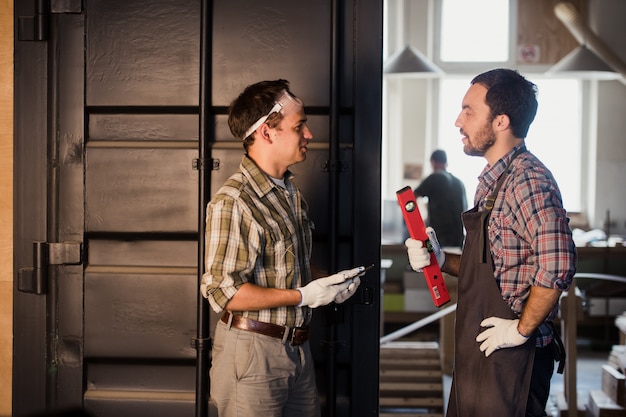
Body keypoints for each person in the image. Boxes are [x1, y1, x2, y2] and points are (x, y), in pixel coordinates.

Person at [406, 68, 576, 417]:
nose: (458, 120)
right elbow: (491, 266)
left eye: (468, 110)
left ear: (500, 121)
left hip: (515, 359)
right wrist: (439, 259)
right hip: (485, 349)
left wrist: (520, 329)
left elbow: (558, 263)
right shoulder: (491, 183)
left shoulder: (527, 179)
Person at [200, 79, 364, 417]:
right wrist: (304, 296)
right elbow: (224, 292)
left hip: (297, 352)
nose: (309, 134)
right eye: (299, 125)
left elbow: (289, 270)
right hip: (253, 355)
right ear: (267, 132)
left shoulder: (290, 193)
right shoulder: (235, 201)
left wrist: (328, 284)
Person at [413, 149, 467, 247]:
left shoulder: (434, 178)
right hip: (458, 239)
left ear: (433, 163)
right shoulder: (459, 183)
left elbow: (411, 199)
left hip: (438, 239)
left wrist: (418, 225)